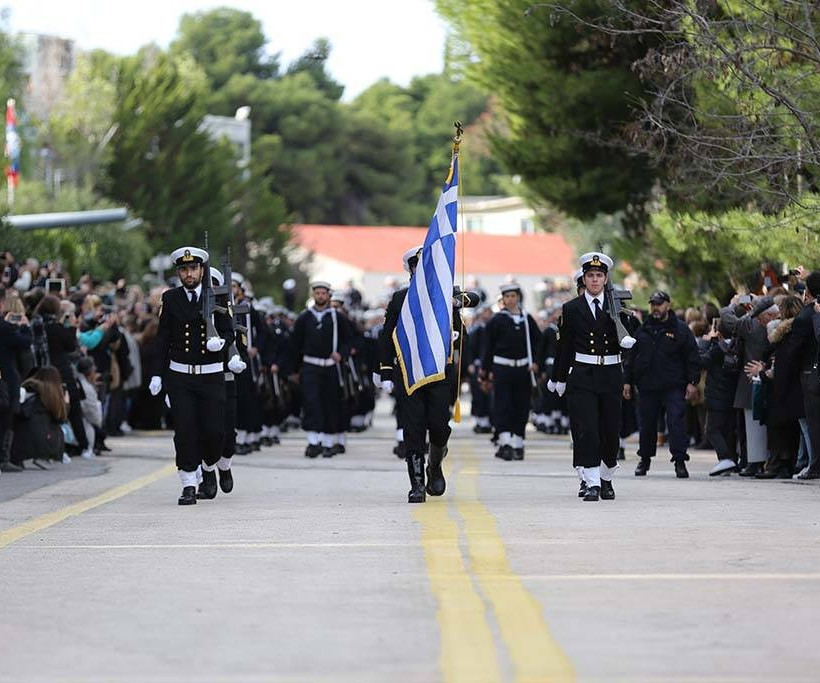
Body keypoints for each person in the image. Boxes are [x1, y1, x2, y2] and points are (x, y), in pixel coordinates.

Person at [378, 246, 478, 503]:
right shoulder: (400, 298)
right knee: (412, 430)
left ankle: (434, 465)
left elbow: (474, 298)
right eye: (417, 267)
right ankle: (417, 484)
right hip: (409, 374)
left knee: (438, 426)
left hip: (438, 374)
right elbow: (386, 336)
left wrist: (455, 301)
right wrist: (386, 371)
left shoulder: (444, 294)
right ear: (410, 270)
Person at [148, 246, 238, 505]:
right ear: (179, 272)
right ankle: (188, 483)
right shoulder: (171, 298)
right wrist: (157, 375)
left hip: (210, 376)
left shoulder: (217, 297)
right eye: (184, 270)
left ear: (202, 270)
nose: (189, 274)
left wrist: (220, 343)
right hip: (181, 376)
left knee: (214, 432)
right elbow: (162, 339)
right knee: (185, 431)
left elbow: (229, 331)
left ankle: (209, 468)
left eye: (193, 269)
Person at [552, 252, 634, 502]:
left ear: (606, 278)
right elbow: (565, 347)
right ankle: (592, 482)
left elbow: (630, 344)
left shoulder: (617, 307)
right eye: (590, 276)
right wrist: (559, 378)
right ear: (584, 279)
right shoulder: (572, 309)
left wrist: (627, 326)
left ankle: (606, 477)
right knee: (587, 430)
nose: (595, 280)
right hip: (583, 375)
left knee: (610, 432)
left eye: (599, 276)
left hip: (610, 374)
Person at [628, 291, 701, 478]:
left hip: (673, 385)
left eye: (659, 304)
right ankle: (644, 460)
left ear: (668, 305)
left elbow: (692, 357)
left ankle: (679, 461)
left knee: (676, 422)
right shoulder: (643, 329)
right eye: (653, 304)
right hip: (648, 386)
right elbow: (632, 357)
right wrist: (627, 381)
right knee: (647, 425)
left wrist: (692, 382)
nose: (655, 308)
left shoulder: (681, 330)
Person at [720, 294, 779, 476]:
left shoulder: (751, 325)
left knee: (753, 425)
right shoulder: (771, 324)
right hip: (765, 377)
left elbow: (727, 319)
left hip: (754, 378)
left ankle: (755, 461)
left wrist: (733, 304)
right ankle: (757, 461)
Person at [289, 281, 351, 458]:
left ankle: (328, 442)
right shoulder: (304, 317)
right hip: (310, 366)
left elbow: (350, 340)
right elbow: (294, 344)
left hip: (330, 367)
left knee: (330, 403)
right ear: (313, 295)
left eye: (323, 293)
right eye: (317, 293)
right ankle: (313, 442)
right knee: (311, 403)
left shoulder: (337, 317)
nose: (320, 296)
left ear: (328, 295)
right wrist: (294, 369)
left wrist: (341, 353)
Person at [481, 282, 541, 460]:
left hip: (523, 368)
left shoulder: (527, 319)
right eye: (507, 296)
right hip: (502, 368)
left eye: (513, 296)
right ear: (503, 299)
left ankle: (518, 442)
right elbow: (488, 347)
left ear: (518, 297)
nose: (510, 299)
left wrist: (536, 362)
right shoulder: (496, 320)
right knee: (503, 405)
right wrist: (485, 371)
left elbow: (539, 342)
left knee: (521, 406)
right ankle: (505, 442)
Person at [11, 366, 67, 469]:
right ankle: (45, 456)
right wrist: (66, 403)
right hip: (43, 442)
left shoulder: (26, 386)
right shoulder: (53, 393)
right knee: (57, 429)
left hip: (18, 438)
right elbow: (61, 418)